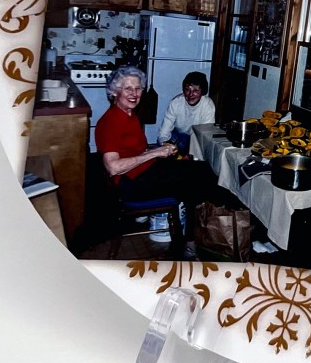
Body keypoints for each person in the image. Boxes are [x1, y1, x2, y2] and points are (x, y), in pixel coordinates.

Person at [95, 66, 228, 256]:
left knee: (200, 170)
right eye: (128, 88)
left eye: (138, 88)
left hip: (144, 172)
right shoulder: (110, 122)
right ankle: (204, 233)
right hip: (130, 185)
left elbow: (135, 151)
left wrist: (156, 152)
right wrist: (154, 153)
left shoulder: (129, 115)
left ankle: (195, 232)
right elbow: (113, 167)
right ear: (115, 91)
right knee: (199, 179)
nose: (134, 94)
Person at [158, 71, 216, 154]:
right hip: (179, 136)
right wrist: (165, 145)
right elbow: (164, 132)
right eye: (187, 90)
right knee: (164, 147)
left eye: (195, 90)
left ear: (202, 91)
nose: (190, 94)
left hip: (197, 139)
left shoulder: (208, 105)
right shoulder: (175, 103)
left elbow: (206, 136)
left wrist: (192, 154)